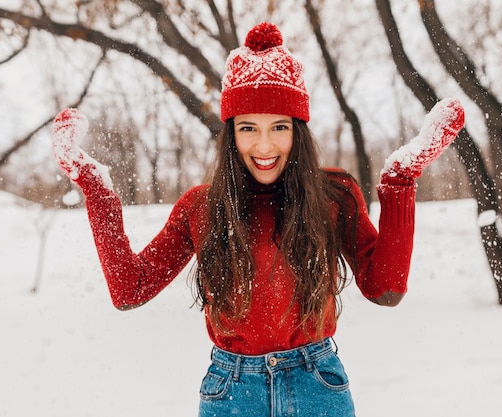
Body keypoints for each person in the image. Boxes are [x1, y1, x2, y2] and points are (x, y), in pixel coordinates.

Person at [51, 22, 464, 417]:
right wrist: (96, 189)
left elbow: (385, 289)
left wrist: (400, 181)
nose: (263, 145)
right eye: (248, 128)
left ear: (296, 131)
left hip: (316, 386)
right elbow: (130, 289)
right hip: (231, 391)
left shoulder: (333, 196)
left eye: (279, 127)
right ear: (230, 133)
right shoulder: (201, 207)